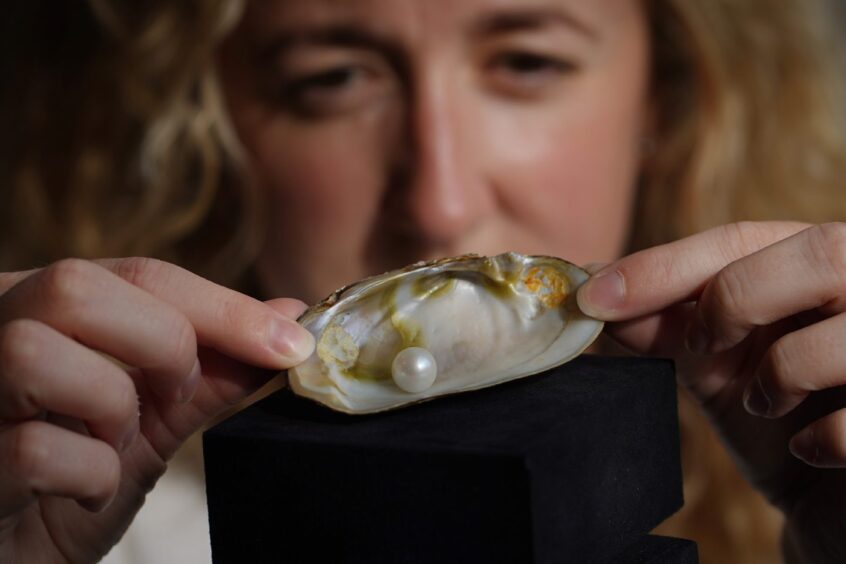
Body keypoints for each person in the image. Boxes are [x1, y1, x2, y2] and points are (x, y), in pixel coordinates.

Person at [2, 0, 846, 562]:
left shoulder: (803, 440)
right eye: (333, 80)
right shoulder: (77, 497)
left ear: (661, 101)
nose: (439, 206)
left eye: (526, 61)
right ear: (210, 129)